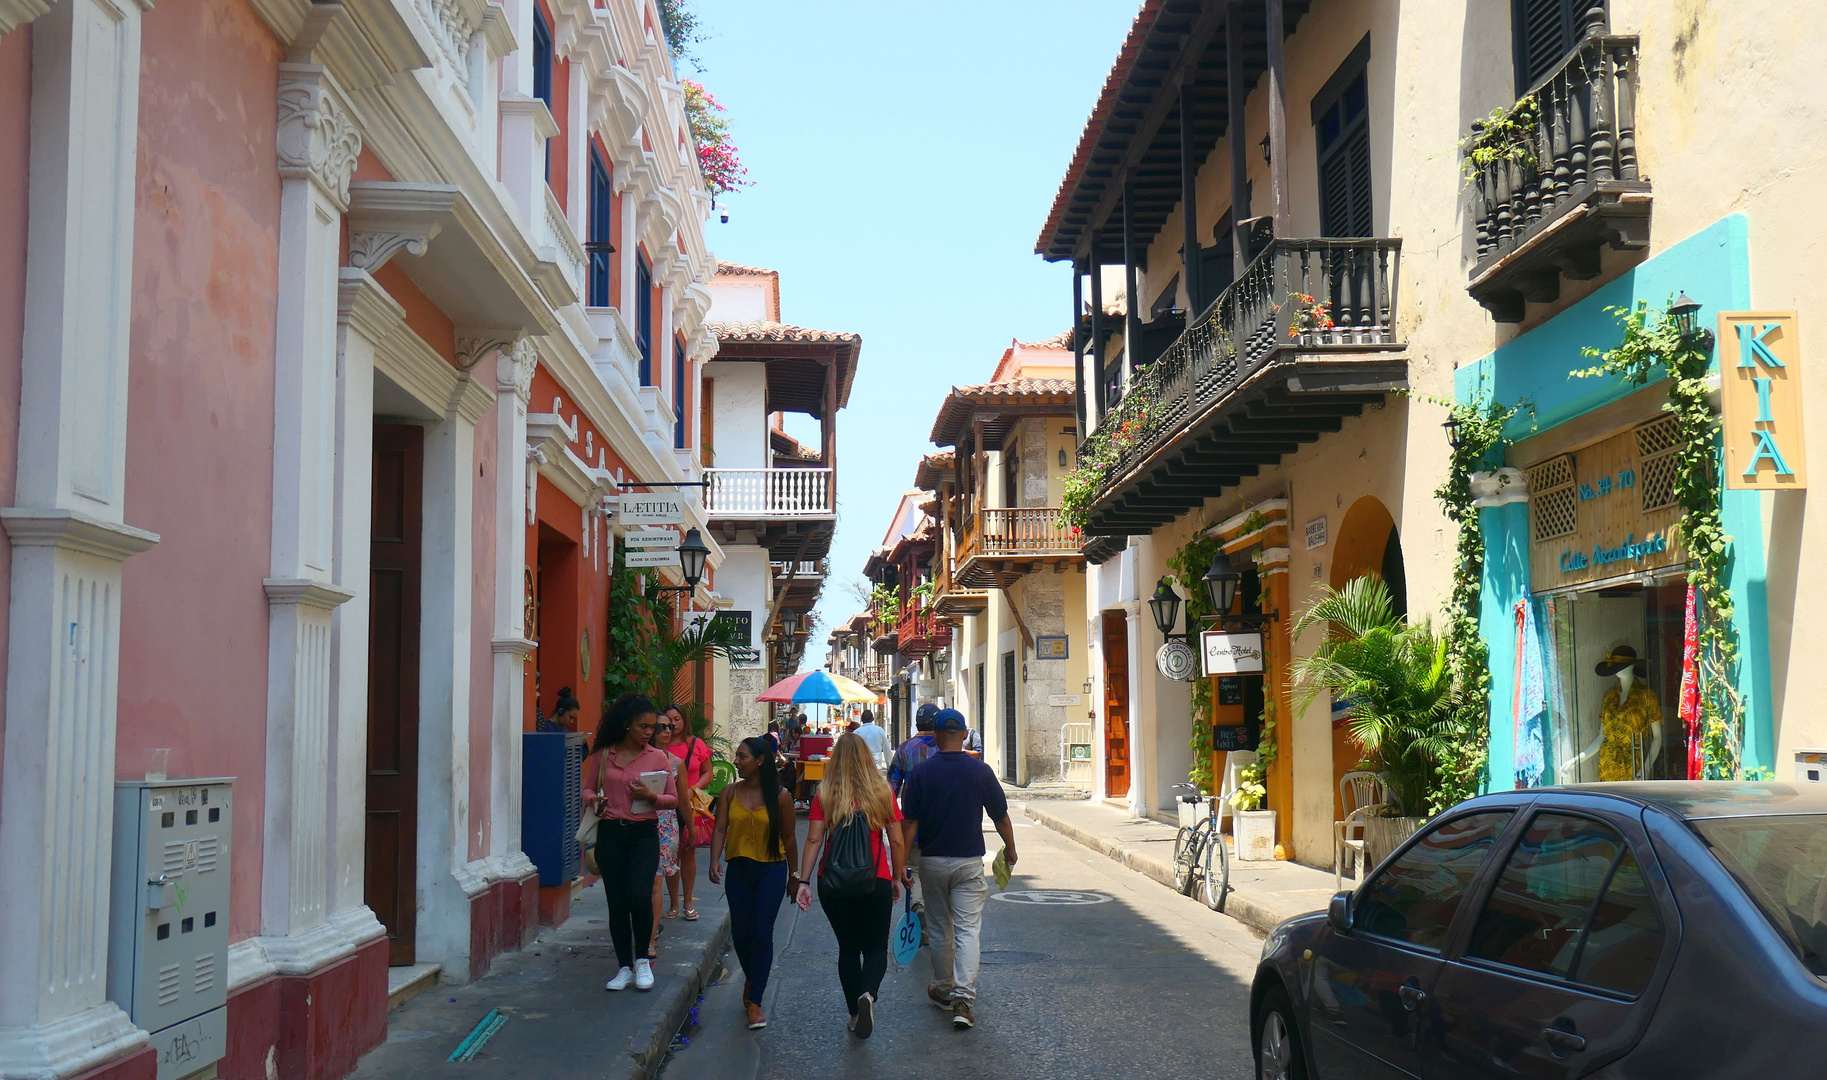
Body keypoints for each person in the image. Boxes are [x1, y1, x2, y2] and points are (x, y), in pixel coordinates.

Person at [899, 708, 1018, 1029]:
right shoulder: (980, 771)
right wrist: (1011, 848)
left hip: (932, 862)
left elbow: (909, 823)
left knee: (939, 930)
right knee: (967, 931)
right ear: (964, 734)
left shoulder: (920, 774)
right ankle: (963, 1000)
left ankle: (943, 988)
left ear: (934, 737)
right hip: (968, 863)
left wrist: (900, 866)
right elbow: (1001, 816)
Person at [795, 733, 908, 1039]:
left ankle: (855, 1014)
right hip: (876, 881)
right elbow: (896, 840)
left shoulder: (826, 793)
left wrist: (803, 881)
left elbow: (815, 839)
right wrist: (897, 877)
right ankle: (868, 994)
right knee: (874, 947)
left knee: (848, 948)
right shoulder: (881, 792)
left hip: (832, 882)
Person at [581, 693, 678, 992]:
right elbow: (586, 788)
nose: (649, 732)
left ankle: (642, 961)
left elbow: (672, 799)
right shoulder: (604, 754)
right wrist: (594, 800)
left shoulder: (657, 757)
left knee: (640, 895)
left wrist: (651, 798)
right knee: (617, 902)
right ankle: (623, 967)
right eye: (643, 726)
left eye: (652, 727)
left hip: (643, 833)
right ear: (626, 725)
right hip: (610, 833)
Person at [708, 737, 801, 1030]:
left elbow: (789, 837)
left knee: (762, 933)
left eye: (742, 757)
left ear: (760, 761)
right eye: (737, 756)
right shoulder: (729, 793)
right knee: (742, 934)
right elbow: (720, 828)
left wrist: (796, 877)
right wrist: (714, 861)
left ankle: (756, 1001)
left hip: (771, 870)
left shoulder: (781, 796)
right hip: (738, 869)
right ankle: (753, 977)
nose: (736, 761)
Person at [664, 703, 712, 920]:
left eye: (677, 719)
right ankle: (674, 903)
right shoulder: (657, 747)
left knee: (689, 851)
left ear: (684, 721)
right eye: (668, 720)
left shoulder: (696, 744)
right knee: (670, 855)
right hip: (666, 806)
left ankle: (688, 902)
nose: (673, 724)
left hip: (690, 805)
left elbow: (708, 772)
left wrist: (695, 789)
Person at [647, 710, 689, 954]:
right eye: (660, 727)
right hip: (640, 822)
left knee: (656, 881)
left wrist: (691, 830)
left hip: (665, 825)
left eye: (669, 727)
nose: (666, 731)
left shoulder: (676, 763)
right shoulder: (636, 759)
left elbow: (682, 800)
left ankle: (650, 938)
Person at [887, 703, 940, 794]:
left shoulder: (904, 748)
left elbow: (892, 786)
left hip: (911, 806)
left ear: (917, 724)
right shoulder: (944, 747)